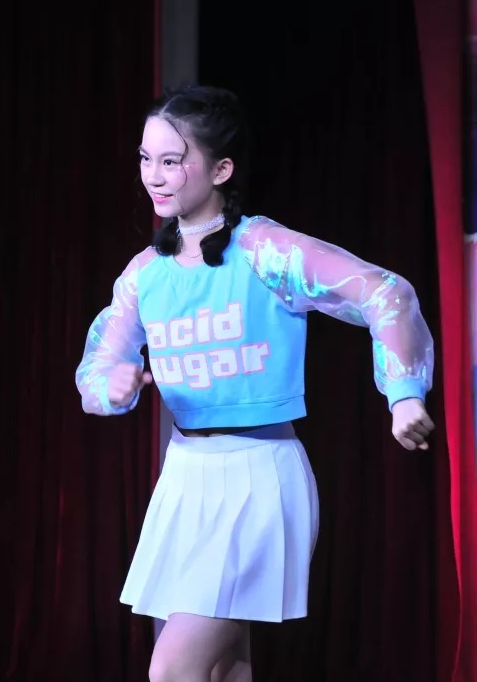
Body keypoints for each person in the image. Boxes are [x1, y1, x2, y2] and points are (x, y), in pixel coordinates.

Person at [75, 85, 435, 682]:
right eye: (145, 158)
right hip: (185, 478)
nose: (154, 176)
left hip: (256, 477)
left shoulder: (264, 250)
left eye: (171, 160)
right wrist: (110, 387)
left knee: (172, 672)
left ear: (221, 169)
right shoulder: (144, 275)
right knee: (225, 670)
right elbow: (98, 365)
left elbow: (384, 292)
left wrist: (404, 395)